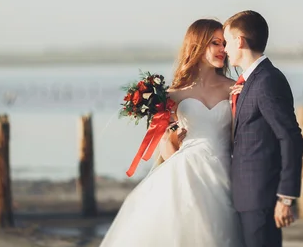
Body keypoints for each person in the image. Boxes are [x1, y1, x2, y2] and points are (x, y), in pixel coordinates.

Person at [99, 18, 245, 246]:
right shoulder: (173, 95)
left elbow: (241, 134)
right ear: (198, 45)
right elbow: (165, 145)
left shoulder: (234, 88)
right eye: (215, 43)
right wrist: (172, 138)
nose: (223, 50)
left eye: (224, 43)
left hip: (224, 171)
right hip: (185, 171)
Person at [223, 10, 303, 247]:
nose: (225, 49)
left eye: (227, 42)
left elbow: (291, 138)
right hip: (247, 196)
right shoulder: (252, 82)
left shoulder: (267, 80)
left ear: (240, 41)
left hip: (261, 197)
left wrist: (286, 197)